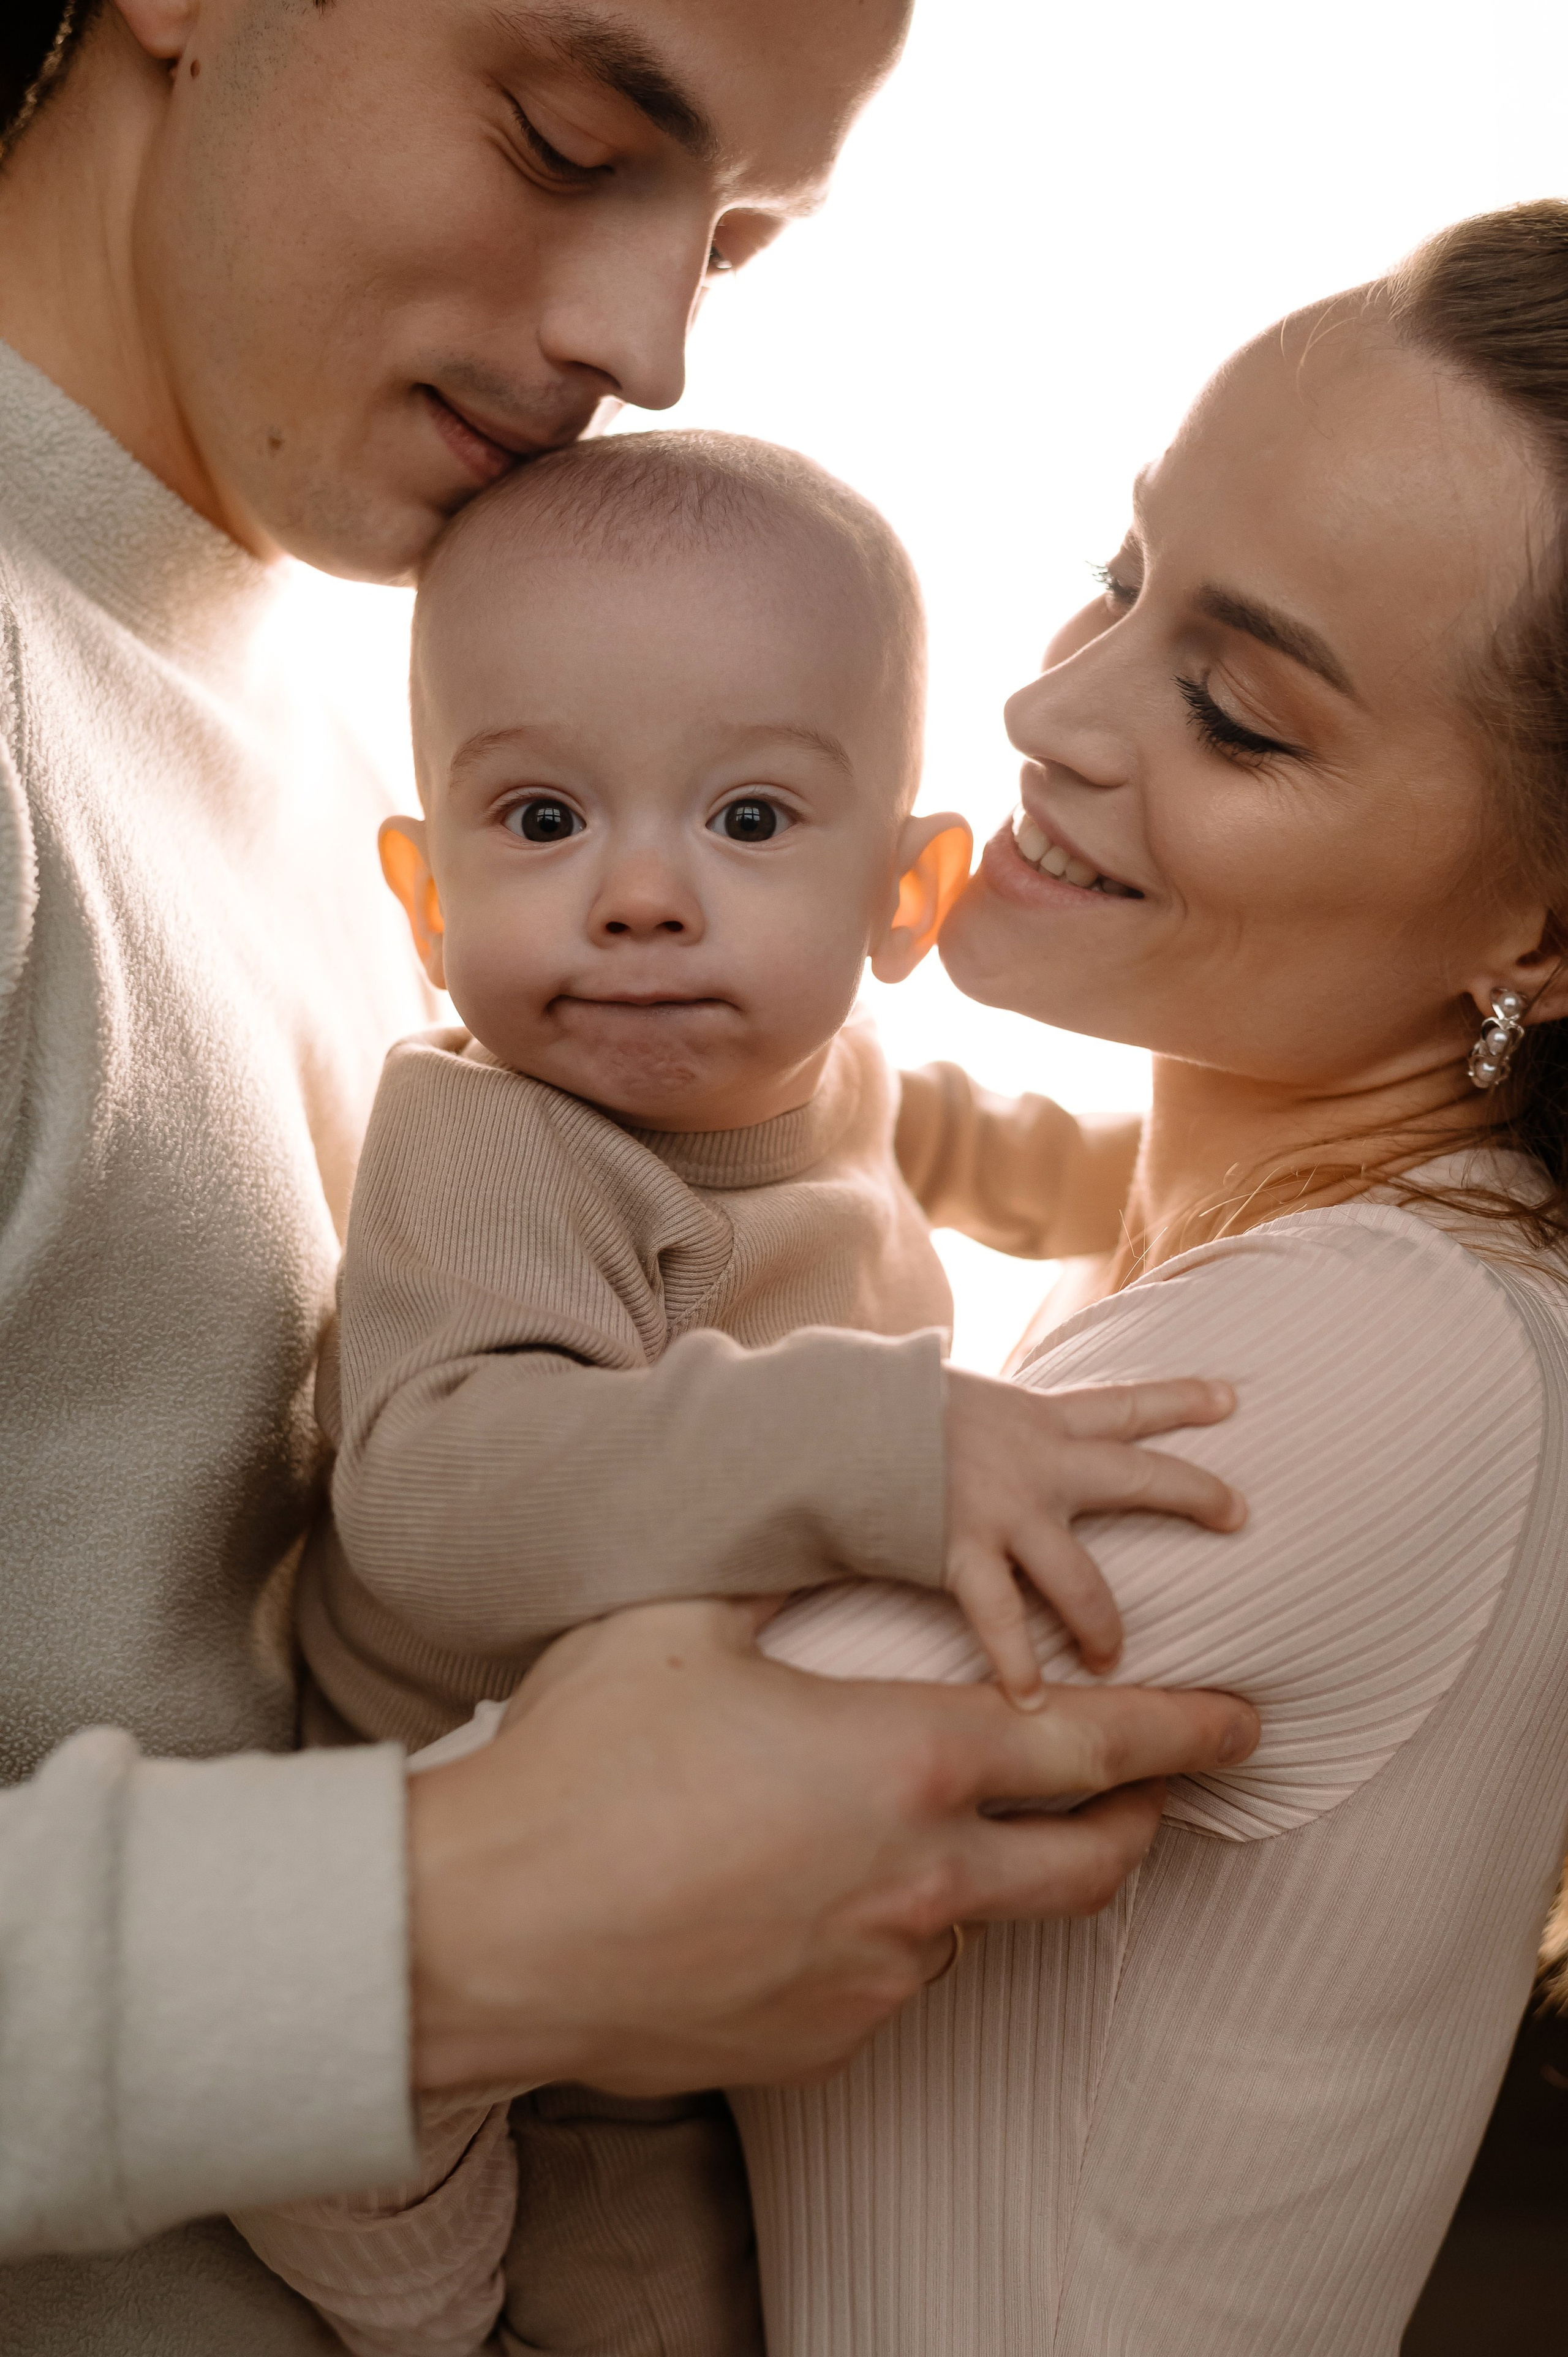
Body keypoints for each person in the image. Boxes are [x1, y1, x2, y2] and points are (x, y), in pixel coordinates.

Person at [0, 5, 1260, 2351]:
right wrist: (459, 1930)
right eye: (570, 134)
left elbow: (927, 1134)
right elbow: (450, 1490)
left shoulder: (379, 727)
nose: (653, 345)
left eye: (743, 240)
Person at [232, 430, 1246, 2357]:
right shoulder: (494, 1140)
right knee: (655, 2297)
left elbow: (977, 1144)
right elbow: (440, 1498)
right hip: (509, 1975)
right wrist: (883, 1437)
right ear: (424, 892)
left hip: (720, 1832)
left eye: (750, 822)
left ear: (907, 890)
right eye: (538, 822)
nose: (637, 895)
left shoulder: (815, 1067)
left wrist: (1208, 1198)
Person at [718, 200, 1568, 2356]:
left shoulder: (1386, 1354)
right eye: (1123, 575)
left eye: (1234, 711)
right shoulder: (1274, 1276)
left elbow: (587, 1804)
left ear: (1540, 940)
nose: (1045, 707)